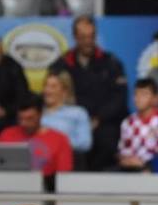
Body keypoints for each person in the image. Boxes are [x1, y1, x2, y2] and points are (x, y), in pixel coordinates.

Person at [48, 16, 129, 170]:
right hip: (71, 121)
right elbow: (55, 95)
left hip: (104, 123)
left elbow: (119, 98)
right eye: (83, 37)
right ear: (75, 37)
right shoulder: (62, 64)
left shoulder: (111, 62)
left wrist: (98, 118)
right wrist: (80, 119)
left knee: (107, 140)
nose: (87, 41)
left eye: (91, 36)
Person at [0, 96, 76, 173]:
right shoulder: (6, 135)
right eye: (20, 119)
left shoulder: (60, 139)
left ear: (40, 114)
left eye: (29, 118)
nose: (24, 123)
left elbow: (64, 176)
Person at [116, 79, 158, 170]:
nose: (138, 98)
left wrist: (144, 163)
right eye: (136, 94)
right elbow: (122, 149)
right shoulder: (128, 122)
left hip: (153, 170)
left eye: (144, 94)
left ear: (155, 99)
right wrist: (125, 159)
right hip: (128, 169)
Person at [39, 73, 94, 159]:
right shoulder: (36, 114)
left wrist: (56, 143)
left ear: (64, 91)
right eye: (46, 86)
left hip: (68, 161)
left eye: (53, 87)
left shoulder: (78, 113)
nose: (47, 90)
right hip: (38, 161)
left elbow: (85, 143)